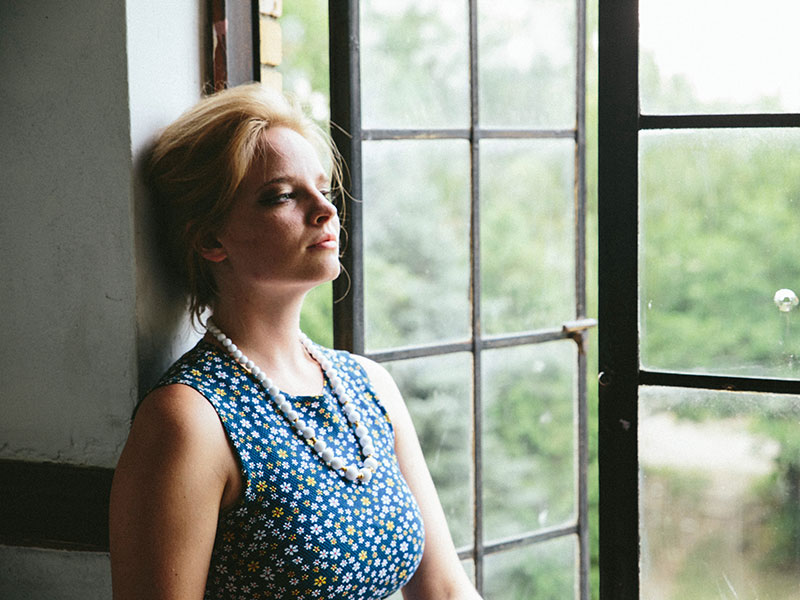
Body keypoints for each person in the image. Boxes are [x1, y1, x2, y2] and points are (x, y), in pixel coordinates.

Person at [109, 83, 482, 600]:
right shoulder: (188, 418)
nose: (325, 209)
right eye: (283, 195)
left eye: (322, 188)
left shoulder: (368, 386)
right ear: (212, 239)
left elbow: (444, 589)